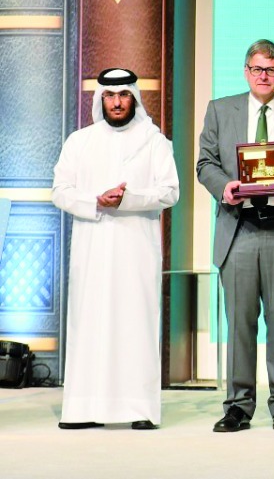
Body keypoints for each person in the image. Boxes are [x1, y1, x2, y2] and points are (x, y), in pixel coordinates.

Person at [196, 39, 274, 433]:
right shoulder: (220, 109)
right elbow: (205, 162)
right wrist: (224, 187)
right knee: (240, 324)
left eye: (272, 69)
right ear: (246, 71)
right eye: (256, 69)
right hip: (240, 227)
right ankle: (237, 405)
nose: (264, 76)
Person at [52, 68, 179, 430]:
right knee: (89, 323)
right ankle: (82, 409)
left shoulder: (154, 141)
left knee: (135, 325)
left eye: (124, 95)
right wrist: (95, 200)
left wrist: (127, 199)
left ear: (134, 98)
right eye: (110, 96)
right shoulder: (80, 141)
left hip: (136, 250)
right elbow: (60, 190)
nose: (117, 102)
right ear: (100, 99)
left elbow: (170, 191)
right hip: (92, 250)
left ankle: (140, 410)